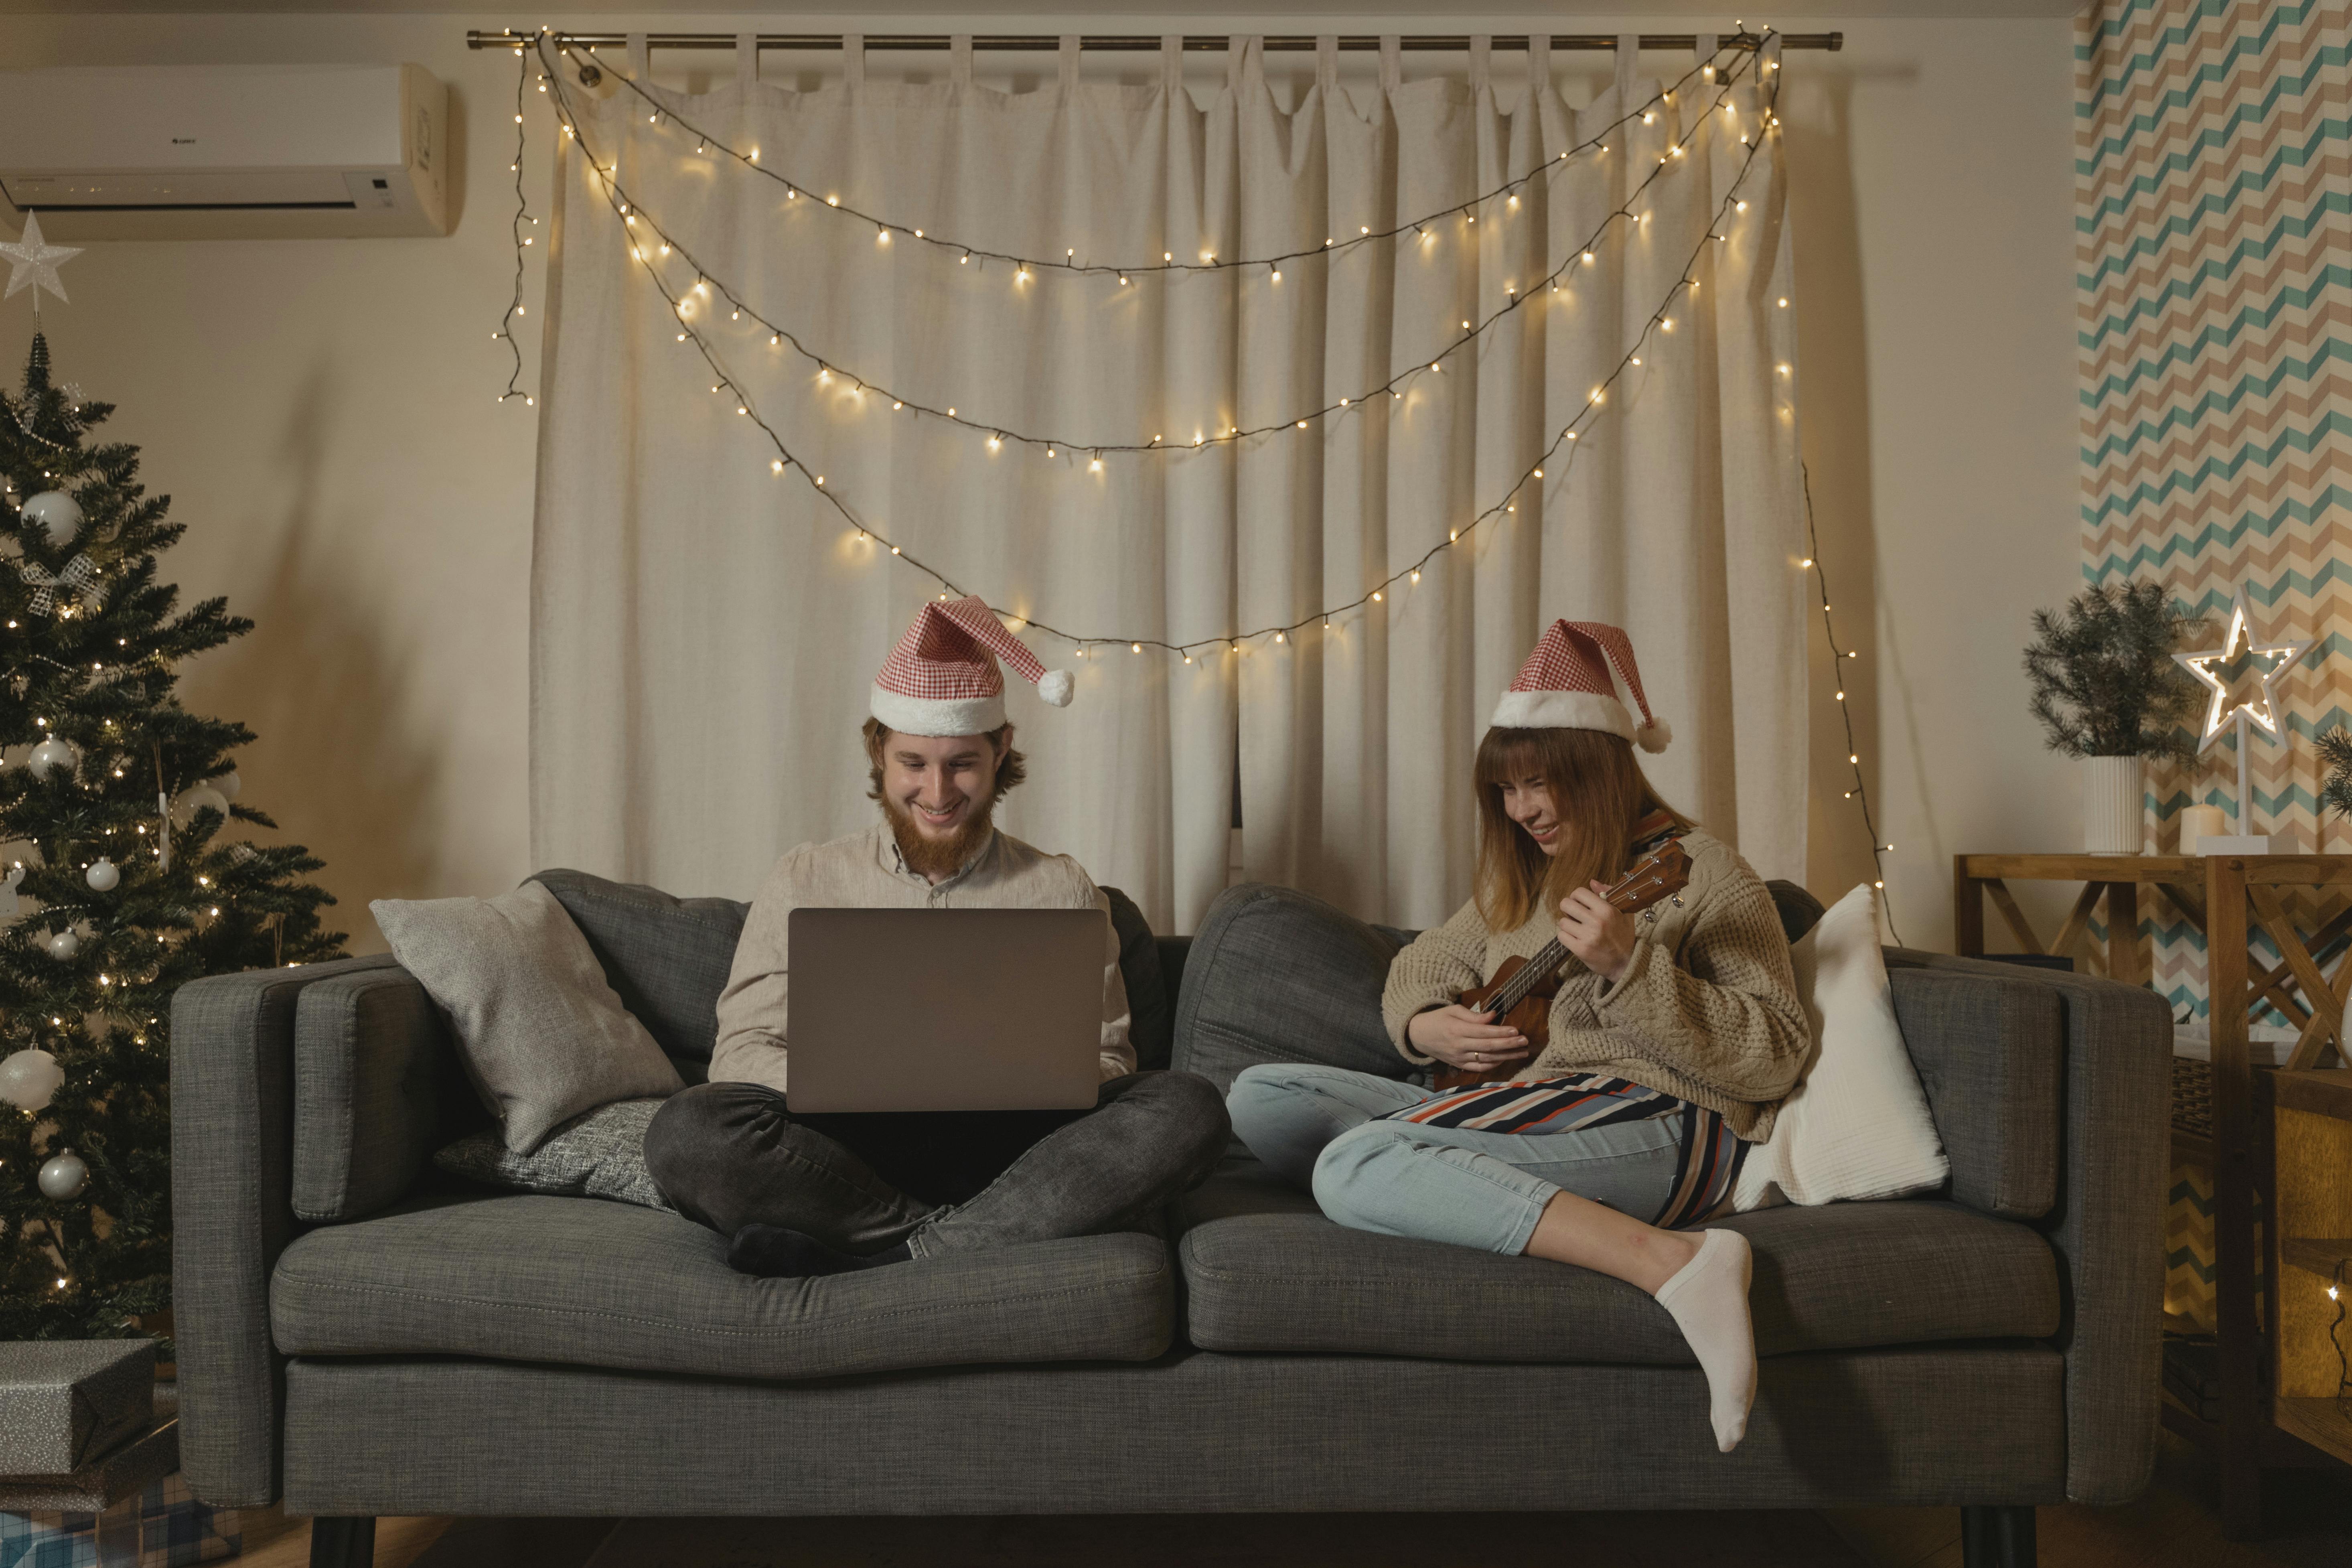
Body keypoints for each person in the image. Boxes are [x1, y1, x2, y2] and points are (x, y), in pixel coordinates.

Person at [1225, 620, 1807, 1452]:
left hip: (1671, 1117)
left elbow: (1777, 1051)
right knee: (1261, 1096)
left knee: (1352, 1162)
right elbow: (1419, 963)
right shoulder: (1531, 877)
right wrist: (1430, 1028)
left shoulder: (1704, 873)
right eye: (1506, 788)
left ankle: (1676, 1262)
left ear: (1601, 770)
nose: (1521, 808)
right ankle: (1440, 1168)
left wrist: (1631, 967)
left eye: (1539, 784)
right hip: (1539, 1098)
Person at [646, 595, 1230, 1278]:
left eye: (962, 764)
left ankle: (894, 1256)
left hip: (1017, 1152)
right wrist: (855, 1088)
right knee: (687, 1132)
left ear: (1000, 750)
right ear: (879, 753)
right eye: (914, 763)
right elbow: (742, 1050)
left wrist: (1016, 1083)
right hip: (848, 1151)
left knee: (1190, 1107)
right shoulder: (805, 877)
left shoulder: (1063, 888)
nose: (937, 791)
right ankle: (973, 1238)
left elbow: (1107, 1060)